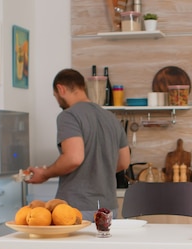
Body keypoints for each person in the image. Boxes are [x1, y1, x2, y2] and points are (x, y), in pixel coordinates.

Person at [25, 68, 130, 221]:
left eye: (55, 96)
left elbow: (73, 158)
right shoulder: (111, 118)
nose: (57, 101)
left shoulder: (69, 116)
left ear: (60, 89)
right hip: (109, 208)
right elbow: (123, 162)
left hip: (76, 208)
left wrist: (45, 173)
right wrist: (97, 168)